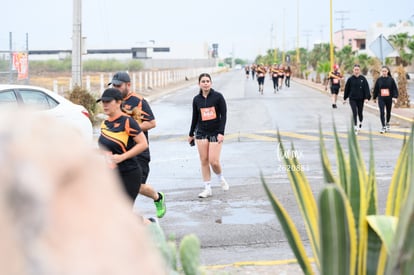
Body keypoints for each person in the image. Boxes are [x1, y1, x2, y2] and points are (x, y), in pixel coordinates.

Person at [109, 71, 166, 219]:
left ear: (128, 85)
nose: (115, 88)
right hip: (121, 152)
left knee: (137, 186)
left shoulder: (139, 101)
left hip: (138, 152)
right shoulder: (114, 101)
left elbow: (152, 123)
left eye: (118, 86)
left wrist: (131, 127)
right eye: (113, 85)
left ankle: (157, 197)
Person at [97, 88, 148, 203]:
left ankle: (149, 220)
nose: (105, 105)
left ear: (119, 102)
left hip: (129, 173)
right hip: (111, 174)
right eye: (103, 102)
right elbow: (106, 148)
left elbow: (143, 144)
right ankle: (149, 221)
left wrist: (122, 157)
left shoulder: (127, 121)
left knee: (122, 214)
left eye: (108, 102)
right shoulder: (104, 123)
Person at [188, 73, 229, 198]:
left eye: (207, 81)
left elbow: (224, 115)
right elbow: (194, 117)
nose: (205, 83)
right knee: (204, 160)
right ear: (199, 84)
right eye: (203, 81)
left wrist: (221, 132)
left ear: (211, 83)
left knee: (214, 161)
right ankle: (207, 188)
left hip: (215, 132)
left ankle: (221, 178)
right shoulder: (196, 99)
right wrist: (191, 134)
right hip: (201, 133)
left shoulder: (218, 97)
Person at [343, 64, 371, 134]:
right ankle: (355, 126)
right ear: (353, 70)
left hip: (360, 99)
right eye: (355, 70)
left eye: (357, 70)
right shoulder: (350, 79)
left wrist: (367, 98)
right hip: (352, 98)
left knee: (360, 113)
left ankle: (360, 122)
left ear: (359, 70)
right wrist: (345, 98)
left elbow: (366, 89)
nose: (356, 71)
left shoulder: (363, 79)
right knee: (354, 112)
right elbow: (347, 89)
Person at [373, 66, 399, 133]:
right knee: (382, 112)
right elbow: (376, 89)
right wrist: (374, 97)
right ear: (381, 72)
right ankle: (383, 126)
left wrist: (395, 97)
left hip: (389, 98)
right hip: (381, 98)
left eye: (385, 71)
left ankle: (387, 123)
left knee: (388, 112)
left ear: (387, 72)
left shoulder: (391, 79)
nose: (384, 72)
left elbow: (394, 89)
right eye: (383, 71)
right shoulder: (379, 80)